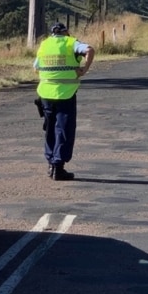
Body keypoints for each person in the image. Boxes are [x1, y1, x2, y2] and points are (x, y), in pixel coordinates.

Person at [34, 22, 94, 181]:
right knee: (64, 129)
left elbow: (36, 67)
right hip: (65, 93)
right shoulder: (71, 42)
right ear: (66, 32)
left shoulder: (44, 44)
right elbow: (89, 50)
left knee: (50, 129)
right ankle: (58, 166)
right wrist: (84, 69)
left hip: (45, 93)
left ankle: (51, 164)